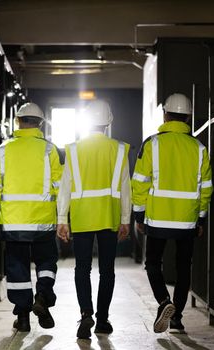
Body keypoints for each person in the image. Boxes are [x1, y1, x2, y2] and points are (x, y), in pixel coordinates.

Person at [132, 93, 213, 333]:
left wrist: (139, 215)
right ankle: (176, 317)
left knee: (153, 263)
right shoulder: (199, 148)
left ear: (165, 115)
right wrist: (201, 218)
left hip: (157, 218)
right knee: (183, 266)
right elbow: (206, 187)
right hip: (187, 220)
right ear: (188, 117)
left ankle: (164, 302)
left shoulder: (153, 143)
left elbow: (140, 182)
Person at [56, 99, 131, 339]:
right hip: (109, 217)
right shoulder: (119, 150)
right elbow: (125, 187)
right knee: (107, 270)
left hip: (82, 217)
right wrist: (126, 219)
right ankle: (102, 320)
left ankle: (86, 313)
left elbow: (65, 186)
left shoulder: (75, 150)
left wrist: (62, 219)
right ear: (109, 122)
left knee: (82, 268)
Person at [0, 102, 63, 332]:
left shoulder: (2, 150)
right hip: (43, 221)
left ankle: (22, 318)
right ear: (40, 123)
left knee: (17, 268)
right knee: (46, 262)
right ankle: (42, 298)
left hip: (13, 222)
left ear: (18, 121)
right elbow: (59, 186)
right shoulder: (50, 150)